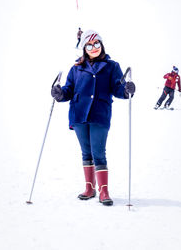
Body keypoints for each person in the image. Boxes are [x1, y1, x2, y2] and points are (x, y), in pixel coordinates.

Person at [51, 30, 136, 206]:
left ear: (101, 44)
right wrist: (59, 94)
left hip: (99, 114)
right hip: (79, 114)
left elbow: (117, 89)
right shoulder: (76, 68)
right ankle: (90, 188)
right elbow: (68, 90)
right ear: (84, 48)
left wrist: (126, 90)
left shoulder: (112, 66)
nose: (94, 48)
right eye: (89, 45)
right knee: (86, 153)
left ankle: (104, 191)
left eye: (97, 43)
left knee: (98, 152)